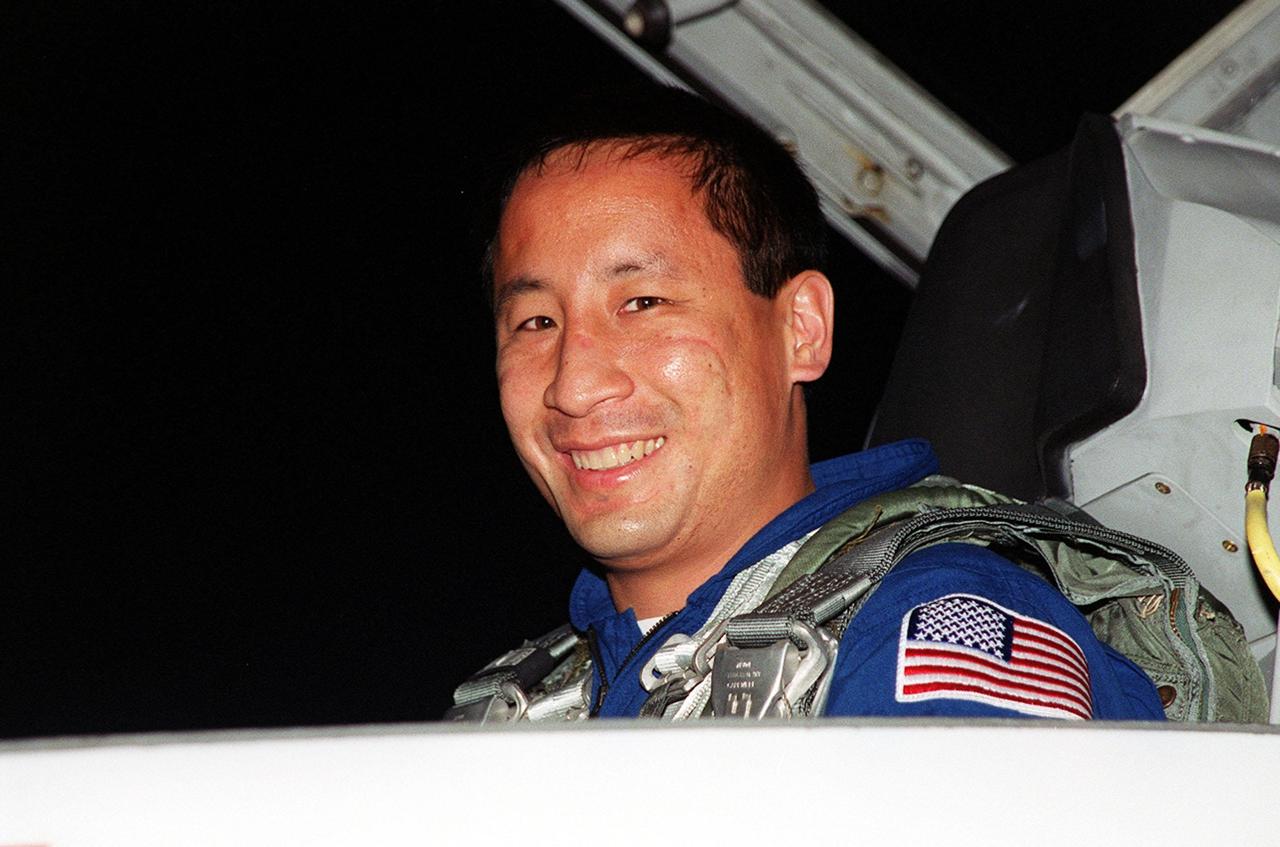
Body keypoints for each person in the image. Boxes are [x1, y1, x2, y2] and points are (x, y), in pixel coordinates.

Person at [464, 86, 1164, 721]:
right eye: (535, 322)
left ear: (800, 329)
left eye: (643, 303)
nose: (573, 385)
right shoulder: (517, 711)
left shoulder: (936, 623)